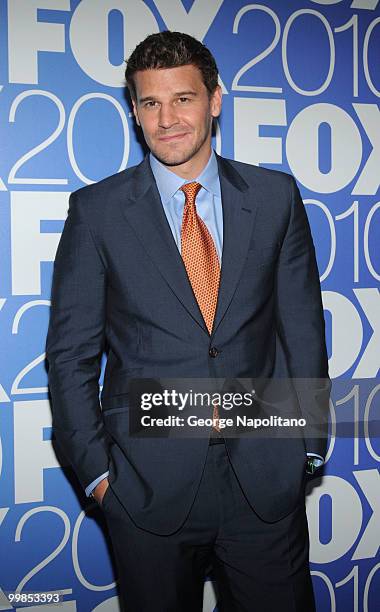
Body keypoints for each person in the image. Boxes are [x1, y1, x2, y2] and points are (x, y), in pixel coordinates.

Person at [46, 31, 330, 612]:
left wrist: (308, 445)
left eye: (183, 98)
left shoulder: (276, 197)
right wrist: (100, 475)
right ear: (133, 110)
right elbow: (70, 356)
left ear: (215, 99)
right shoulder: (96, 211)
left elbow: (301, 328)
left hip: (265, 483)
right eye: (150, 102)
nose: (166, 119)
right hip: (146, 488)